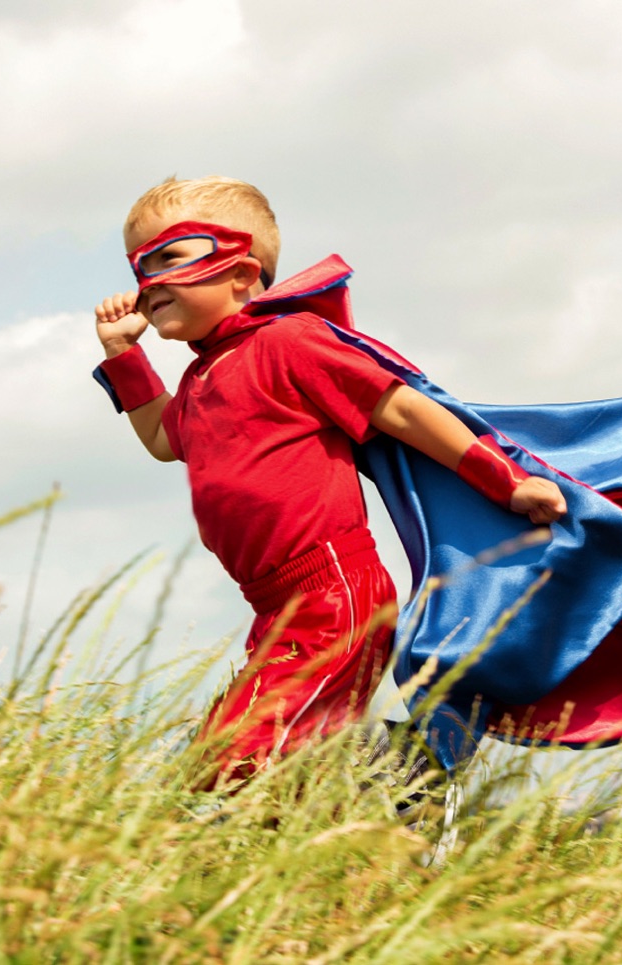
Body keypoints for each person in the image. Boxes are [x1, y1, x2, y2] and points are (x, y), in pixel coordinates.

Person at [92, 176, 567, 785]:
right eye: (138, 267)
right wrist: (121, 356)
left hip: (334, 594)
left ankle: (411, 763)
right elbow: (163, 441)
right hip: (271, 607)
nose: (147, 280)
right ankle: (375, 842)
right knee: (261, 781)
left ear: (241, 272)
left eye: (170, 257)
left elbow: (399, 408)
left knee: (234, 757)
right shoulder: (198, 381)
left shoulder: (290, 341)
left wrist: (504, 480)